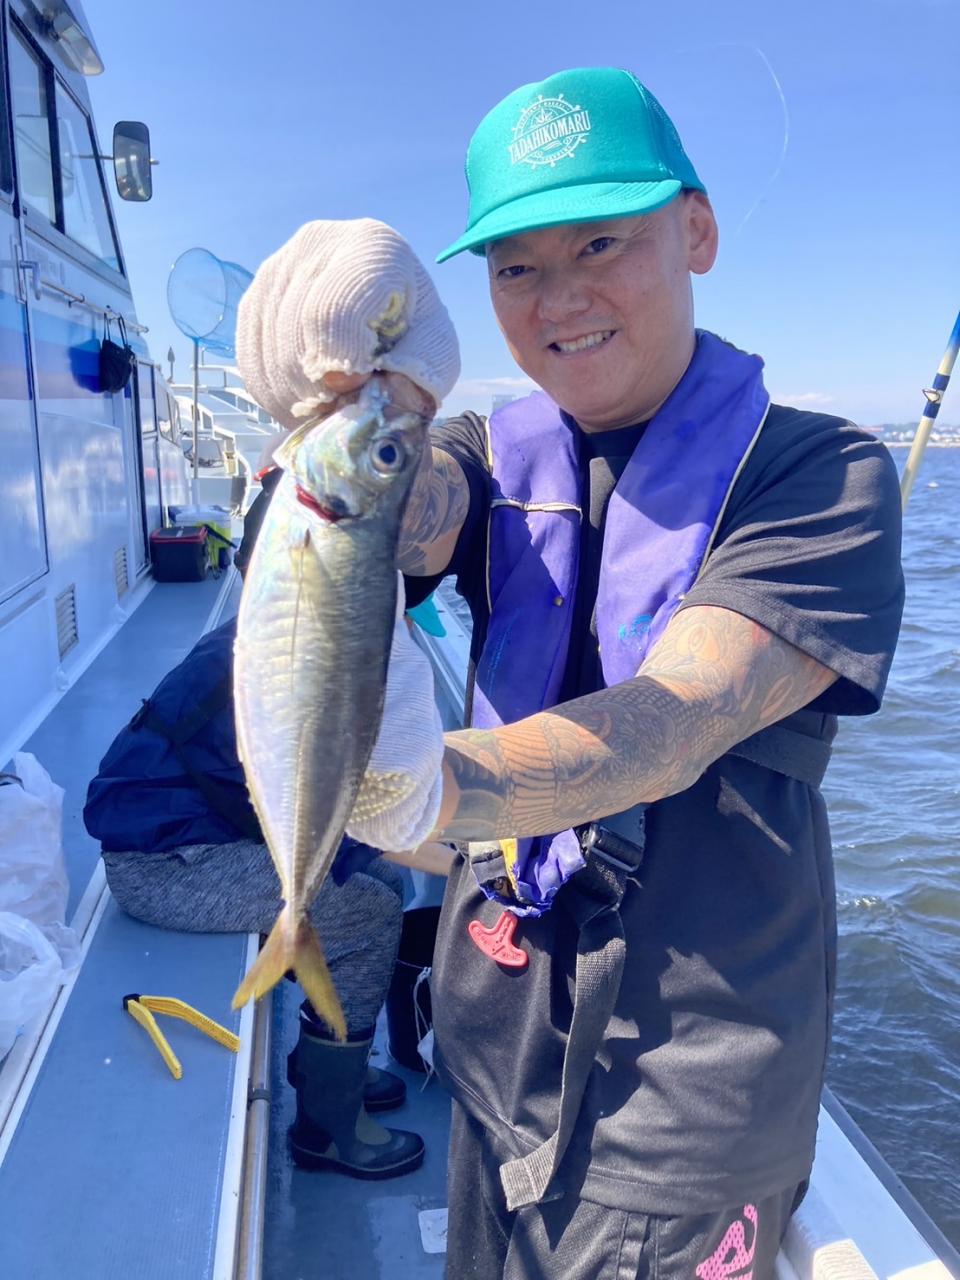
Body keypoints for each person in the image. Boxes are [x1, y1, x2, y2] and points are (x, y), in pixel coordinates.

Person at [235, 67, 904, 1279]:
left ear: (696, 231)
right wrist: (369, 402)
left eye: (602, 242)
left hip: (681, 1091)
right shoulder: (483, 452)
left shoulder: (822, 475)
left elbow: (679, 714)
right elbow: (406, 510)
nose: (560, 297)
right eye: (515, 267)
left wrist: (434, 792)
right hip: (490, 1044)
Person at [84, 476, 452, 1181]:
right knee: (370, 912)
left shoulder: (284, 641)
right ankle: (328, 1127)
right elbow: (353, 821)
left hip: (201, 834)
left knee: (383, 877)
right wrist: (475, 864)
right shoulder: (277, 674)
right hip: (164, 864)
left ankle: (330, 1060)